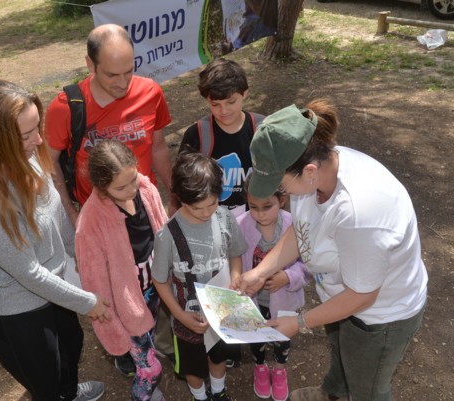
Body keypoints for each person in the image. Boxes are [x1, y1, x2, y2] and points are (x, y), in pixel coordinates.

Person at [241, 99, 428, 401]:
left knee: (368, 388)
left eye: (282, 187)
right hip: (341, 298)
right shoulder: (315, 172)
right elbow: (302, 228)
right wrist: (261, 272)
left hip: (379, 317)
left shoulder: (359, 213)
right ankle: (333, 393)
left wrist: (299, 322)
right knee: (342, 353)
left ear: (309, 171)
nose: (283, 194)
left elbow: (362, 295)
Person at [0, 79, 111, 401]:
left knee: (71, 345)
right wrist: (88, 302)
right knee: (46, 379)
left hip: (53, 285)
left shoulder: (30, 158)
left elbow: (56, 215)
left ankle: (70, 392)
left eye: (37, 127)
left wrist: (81, 258)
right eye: (26, 134)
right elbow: (28, 273)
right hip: (16, 307)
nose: (39, 139)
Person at [45, 23, 173, 223]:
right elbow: (49, 162)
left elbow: (158, 148)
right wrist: (71, 213)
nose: (123, 83)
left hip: (146, 210)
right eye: (112, 75)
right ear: (90, 64)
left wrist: (174, 194)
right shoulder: (65, 108)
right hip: (98, 218)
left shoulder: (151, 93)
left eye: (129, 71)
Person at [75, 140, 168, 401]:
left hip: (154, 289)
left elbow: (162, 227)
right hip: (126, 305)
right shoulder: (90, 223)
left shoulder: (145, 188)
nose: (131, 189)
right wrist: (110, 322)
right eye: (121, 187)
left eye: (132, 179)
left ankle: (139, 363)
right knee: (151, 368)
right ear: (101, 187)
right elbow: (94, 282)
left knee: (149, 339)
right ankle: (143, 395)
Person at [152, 152, 248, 401]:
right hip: (187, 318)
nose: (206, 212)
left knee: (219, 356)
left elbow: (236, 253)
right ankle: (199, 396)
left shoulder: (225, 217)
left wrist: (236, 277)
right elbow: (159, 280)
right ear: (180, 198)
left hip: (221, 312)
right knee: (192, 367)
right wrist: (179, 314)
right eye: (197, 207)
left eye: (212, 203)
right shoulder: (167, 236)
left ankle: (218, 391)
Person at [237, 175, 310, 401]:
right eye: (253, 207)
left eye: (267, 206)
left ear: (282, 200)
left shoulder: (294, 225)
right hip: (254, 301)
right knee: (256, 334)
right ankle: (260, 366)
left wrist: (287, 277)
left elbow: (308, 264)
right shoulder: (241, 224)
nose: (259, 214)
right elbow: (235, 260)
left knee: (282, 336)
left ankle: (279, 369)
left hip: (284, 299)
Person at [179, 58, 265, 218]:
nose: (223, 111)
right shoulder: (197, 134)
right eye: (215, 104)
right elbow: (184, 186)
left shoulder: (263, 129)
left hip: (255, 220)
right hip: (211, 220)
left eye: (230, 102)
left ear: (245, 93)